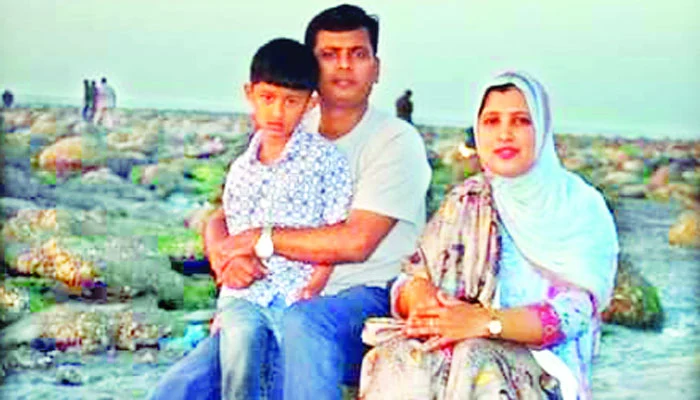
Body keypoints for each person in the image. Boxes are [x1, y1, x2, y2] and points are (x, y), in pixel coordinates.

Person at [149, 4, 431, 400]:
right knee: (180, 387)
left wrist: (260, 240)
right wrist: (226, 264)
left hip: (365, 296)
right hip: (270, 293)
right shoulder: (288, 126)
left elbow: (356, 242)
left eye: (358, 54)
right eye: (329, 54)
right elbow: (222, 219)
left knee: (303, 325)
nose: (344, 66)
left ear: (377, 68)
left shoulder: (396, 141)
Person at [359, 71, 619, 400]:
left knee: (476, 356)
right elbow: (410, 278)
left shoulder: (577, 206)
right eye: (492, 121)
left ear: (541, 128)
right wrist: (424, 300)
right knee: (402, 356)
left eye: (521, 121)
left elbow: (576, 313)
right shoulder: (467, 199)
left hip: (542, 362)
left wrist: (485, 323)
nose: (504, 134)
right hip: (456, 341)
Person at [220, 37, 353, 399]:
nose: (277, 112)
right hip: (247, 293)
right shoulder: (241, 169)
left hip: (298, 292)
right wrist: (233, 268)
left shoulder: (327, 161)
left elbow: (336, 231)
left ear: (310, 103)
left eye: (291, 101)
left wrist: (317, 284)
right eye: (267, 98)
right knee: (239, 350)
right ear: (249, 94)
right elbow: (235, 235)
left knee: (289, 374)